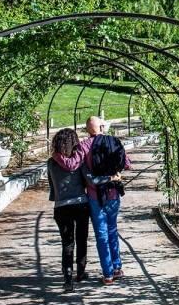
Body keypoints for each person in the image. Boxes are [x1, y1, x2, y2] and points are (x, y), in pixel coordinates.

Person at [53, 116, 130, 285]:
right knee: (112, 230)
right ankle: (117, 267)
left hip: (95, 197)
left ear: (87, 129)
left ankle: (108, 274)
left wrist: (57, 155)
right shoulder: (114, 141)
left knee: (101, 234)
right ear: (102, 127)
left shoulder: (85, 145)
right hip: (114, 194)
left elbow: (72, 165)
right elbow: (127, 164)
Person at [48, 128, 116, 291]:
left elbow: (52, 186)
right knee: (81, 239)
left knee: (67, 243)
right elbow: (91, 181)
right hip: (80, 205)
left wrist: (58, 197)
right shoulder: (79, 162)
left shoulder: (51, 162)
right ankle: (80, 272)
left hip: (61, 207)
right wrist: (110, 177)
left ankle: (67, 279)